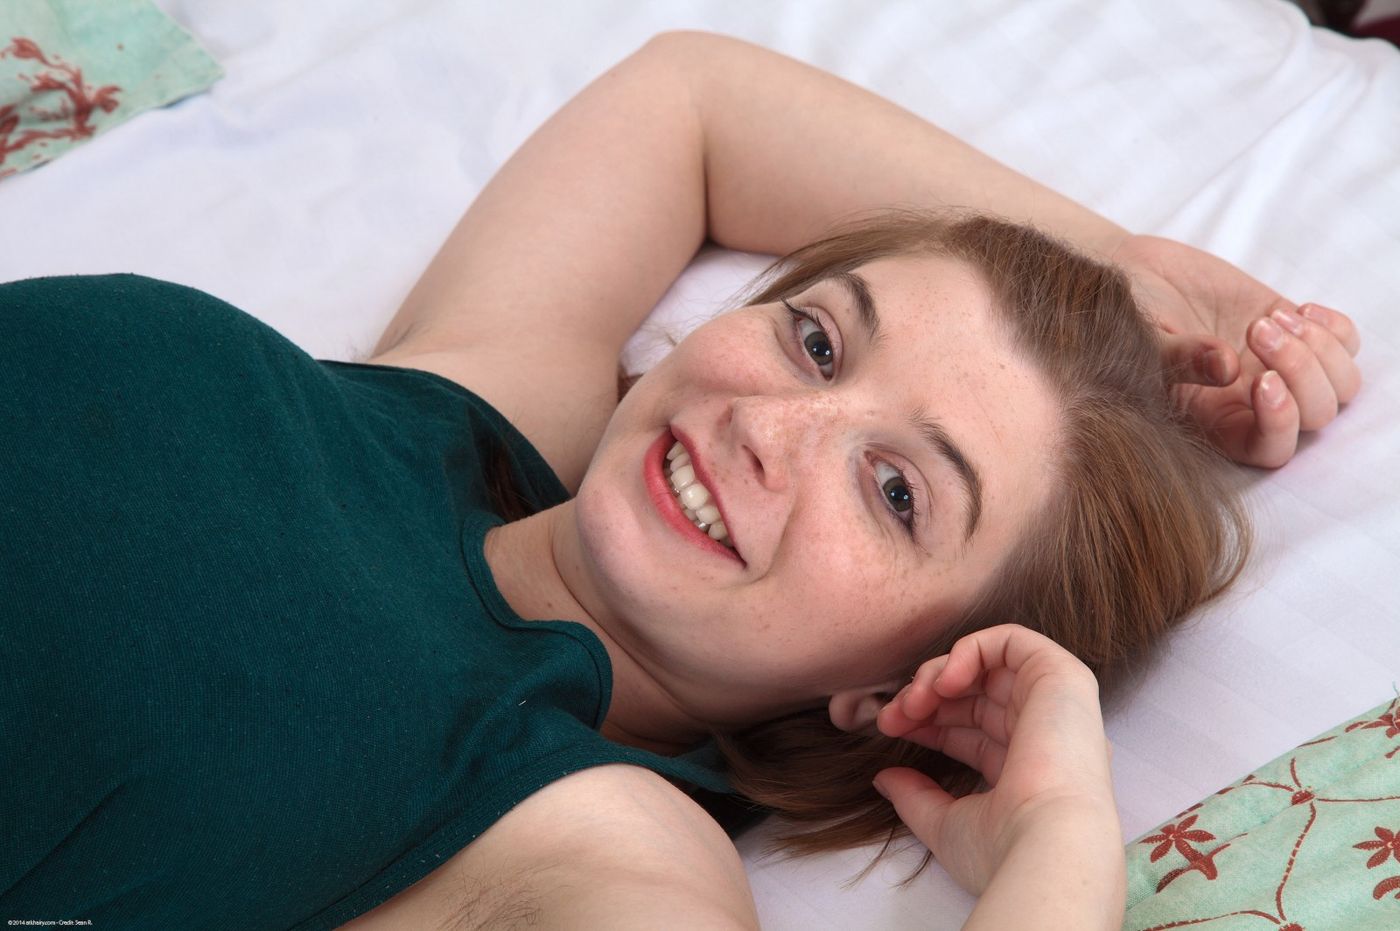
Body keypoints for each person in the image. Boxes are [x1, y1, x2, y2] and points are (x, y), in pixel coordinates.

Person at [0, 31, 1360, 930]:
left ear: (902, 688)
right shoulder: (487, 403)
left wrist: (1058, 833)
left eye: (897, 494)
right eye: (817, 340)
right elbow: (695, 100)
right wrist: (1122, 272)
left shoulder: (592, 844)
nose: (775, 425)